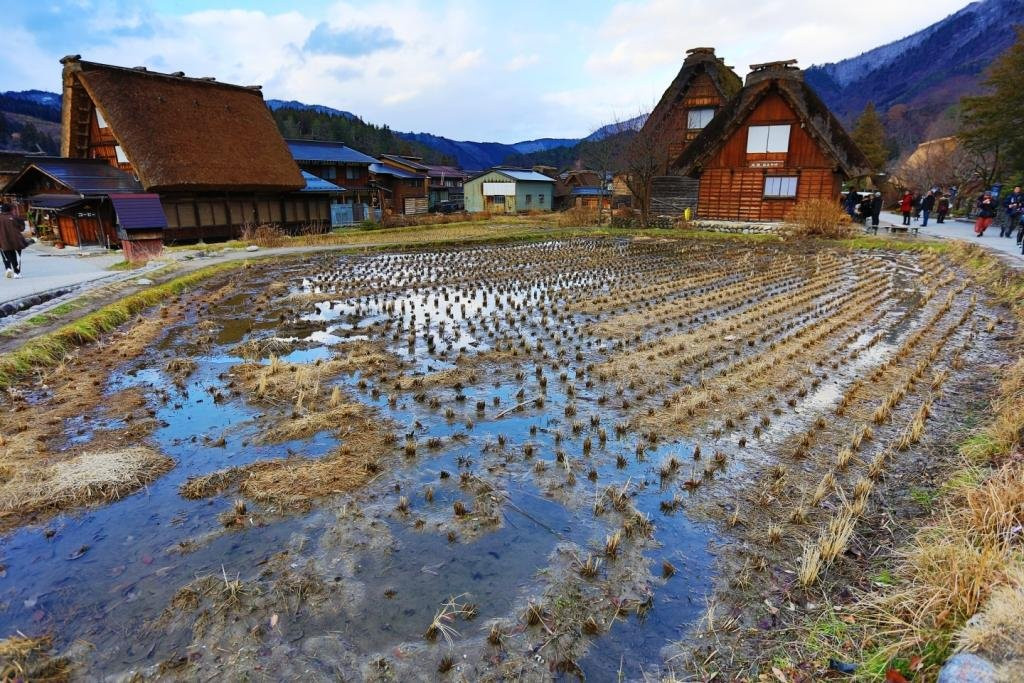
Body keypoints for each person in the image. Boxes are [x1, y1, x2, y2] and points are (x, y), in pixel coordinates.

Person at [0, 204, 28, 279]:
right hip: (17, 240)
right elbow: (22, 228)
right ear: (10, 210)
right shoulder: (15, 217)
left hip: (3, 241)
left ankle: (8, 268)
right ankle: (17, 272)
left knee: (8, 255)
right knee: (18, 257)